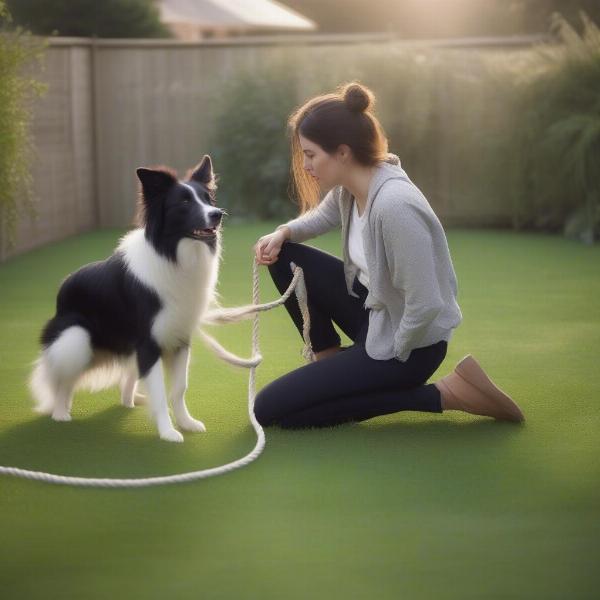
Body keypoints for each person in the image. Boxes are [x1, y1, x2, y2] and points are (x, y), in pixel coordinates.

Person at [252, 81, 525, 430]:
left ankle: (450, 393)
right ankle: (330, 363)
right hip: (374, 314)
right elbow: (321, 218)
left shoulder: (395, 207)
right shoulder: (351, 189)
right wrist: (282, 233)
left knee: (276, 411)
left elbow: (425, 304)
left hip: (411, 346)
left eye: (310, 154)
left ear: (342, 152)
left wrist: (392, 352)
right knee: (286, 256)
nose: (305, 165)